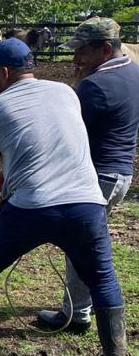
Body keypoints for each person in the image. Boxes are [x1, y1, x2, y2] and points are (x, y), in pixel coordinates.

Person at [0, 38, 133, 356]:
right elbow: (48, 139)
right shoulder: (66, 92)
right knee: (102, 275)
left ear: (4, 72)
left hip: (31, 206)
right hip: (86, 203)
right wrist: (7, 176)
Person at [37, 17, 139, 332]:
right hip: (121, 172)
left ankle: (78, 314)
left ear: (105, 49)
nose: (75, 58)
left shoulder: (94, 86)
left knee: (81, 246)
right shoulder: (134, 73)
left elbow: (67, 135)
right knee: (89, 242)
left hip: (97, 176)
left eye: (82, 51)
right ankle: (83, 304)